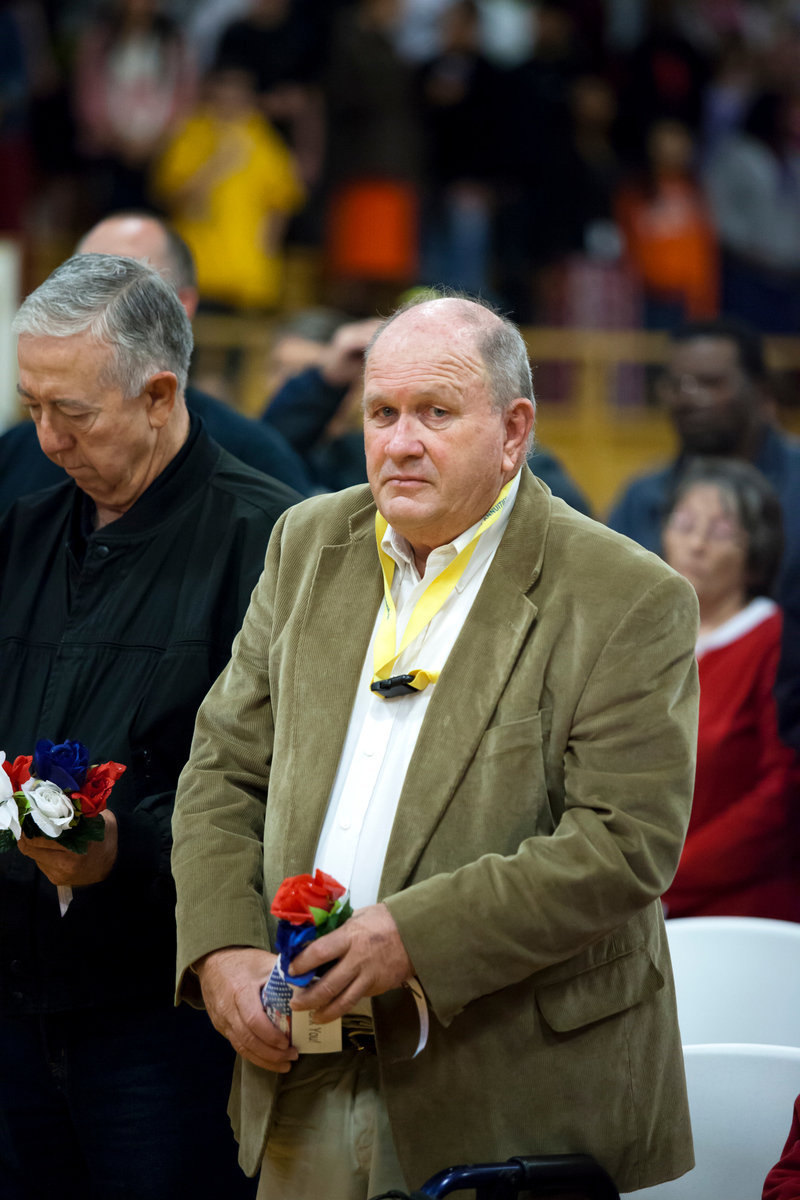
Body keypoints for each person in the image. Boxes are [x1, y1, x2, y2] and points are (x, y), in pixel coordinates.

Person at [172, 294, 700, 1197]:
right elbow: (223, 765)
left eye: (436, 413)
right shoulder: (305, 540)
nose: (401, 443)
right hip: (299, 1059)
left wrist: (412, 938)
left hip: (507, 1086)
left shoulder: (626, 593)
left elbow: (625, 843)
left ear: (514, 431)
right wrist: (220, 947)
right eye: (382, 413)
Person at [0, 253, 300, 1200]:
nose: (47, 439)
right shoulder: (22, 531)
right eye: (31, 406)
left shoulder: (274, 543)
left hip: (166, 1017)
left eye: (73, 413)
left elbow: (287, 790)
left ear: (160, 395)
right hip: (12, 1003)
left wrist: (125, 849)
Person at [0, 211, 316, 513]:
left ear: (181, 306)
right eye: (79, 291)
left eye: (125, 291)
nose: (53, 441)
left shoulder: (256, 462)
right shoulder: (16, 455)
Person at [660, 458, 800, 921]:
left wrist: (665, 877)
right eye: (684, 524)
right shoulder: (645, 634)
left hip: (741, 908)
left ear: (755, 554)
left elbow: (781, 795)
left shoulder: (775, 641)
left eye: (720, 533)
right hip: (637, 901)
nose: (696, 544)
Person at [607, 317, 800, 604]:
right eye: (677, 385)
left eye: (710, 383)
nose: (689, 397)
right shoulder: (640, 498)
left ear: (760, 390)